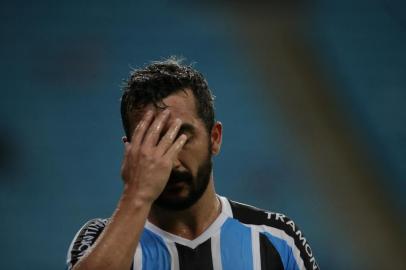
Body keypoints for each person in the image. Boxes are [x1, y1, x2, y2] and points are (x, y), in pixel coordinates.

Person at [66, 58, 320, 270]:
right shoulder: (101, 241)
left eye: (182, 137)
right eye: (153, 141)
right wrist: (137, 194)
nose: (172, 161)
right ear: (131, 152)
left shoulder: (276, 239)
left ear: (214, 138)